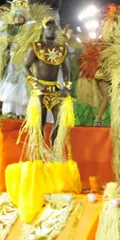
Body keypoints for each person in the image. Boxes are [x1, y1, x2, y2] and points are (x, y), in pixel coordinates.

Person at [23, 17, 72, 155]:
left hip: (56, 90)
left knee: (61, 121)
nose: (51, 29)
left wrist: (67, 87)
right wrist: (35, 83)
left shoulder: (62, 49)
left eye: (54, 27)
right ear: (43, 29)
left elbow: (68, 71)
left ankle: (54, 150)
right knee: (39, 122)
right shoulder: (35, 47)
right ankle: (37, 152)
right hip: (40, 90)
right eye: (48, 27)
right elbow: (25, 67)